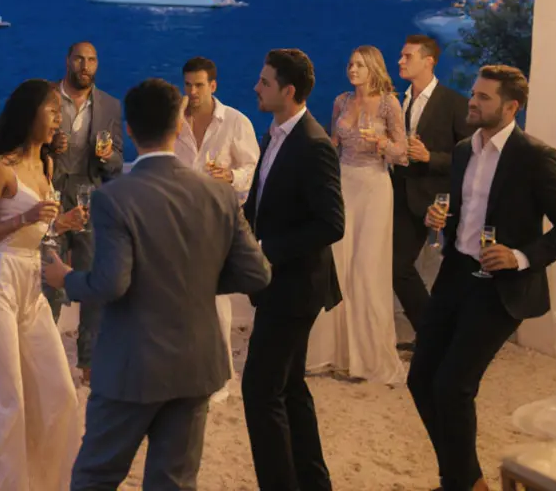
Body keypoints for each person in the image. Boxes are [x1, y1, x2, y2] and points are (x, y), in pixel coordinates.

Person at [44, 78, 271, 491]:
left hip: (132, 361)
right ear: (179, 122)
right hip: (195, 363)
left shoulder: (116, 197)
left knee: (96, 475)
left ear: (128, 129)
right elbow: (257, 273)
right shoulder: (219, 196)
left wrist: (67, 279)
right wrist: (197, 280)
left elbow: (112, 282)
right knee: (175, 482)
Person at [413, 65, 556, 491]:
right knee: (420, 380)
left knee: (453, 385)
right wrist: (441, 216)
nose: (473, 101)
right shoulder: (461, 151)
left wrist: (521, 256)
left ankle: (463, 484)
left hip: (500, 288)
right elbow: (466, 208)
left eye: (484, 97)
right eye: (474, 94)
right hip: (455, 274)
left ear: (511, 107)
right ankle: (465, 479)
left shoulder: (534, 157)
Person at [0, 79, 87, 491]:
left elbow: (37, 235)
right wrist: (25, 219)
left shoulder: (46, 166)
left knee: (58, 393)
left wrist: (59, 225)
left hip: (32, 285)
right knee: (3, 401)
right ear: (29, 115)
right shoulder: (0, 168)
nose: (57, 120)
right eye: (51, 112)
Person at [242, 49, 344, 491]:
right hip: (279, 284)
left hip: (296, 287)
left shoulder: (313, 144)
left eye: (264, 82)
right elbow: (260, 201)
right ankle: (313, 483)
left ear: (288, 91)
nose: (255, 88)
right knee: (290, 388)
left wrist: (267, 250)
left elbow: (331, 223)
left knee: (260, 392)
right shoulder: (276, 134)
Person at [307, 46, 407, 385]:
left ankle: (367, 357)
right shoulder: (341, 102)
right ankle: (334, 353)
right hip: (343, 183)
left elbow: (403, 153)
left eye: (360, 65)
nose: (352, 69)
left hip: (375, 187)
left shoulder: (390, 104)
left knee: (365, 267)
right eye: (350, 64)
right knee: (338, 263)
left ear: (373, 69)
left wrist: (382, 144)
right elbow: (334, 141)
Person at [172, 56, 260, 404]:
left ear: (213, 86)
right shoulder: (175, 122)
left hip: (217, 221)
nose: (192, 92)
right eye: (188, 85)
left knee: (216, 299)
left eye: (199, 85)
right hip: (178, 221)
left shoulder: (235, 122)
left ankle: (220, 374)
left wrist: (232, 177)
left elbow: (252, 167)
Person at [45, 41, 123, 383]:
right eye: (79, 58)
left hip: (91, 196)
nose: (85, 65)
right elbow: (23, 142)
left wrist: (106, 156)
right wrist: (49, 145)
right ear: (67, 61)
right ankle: (44, 357)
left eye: (91, 59)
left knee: (93, 281)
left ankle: (89, 362)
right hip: (50, 193)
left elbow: (118, 163)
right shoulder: (44, 97)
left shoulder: (109, 105)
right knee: (50, 278)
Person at [392, 34, 469, 341]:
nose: (400, 61)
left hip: (438, 201)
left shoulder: (454, 103)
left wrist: (430, 157)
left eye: (407, 56)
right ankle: (431, 335)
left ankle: (436, 336)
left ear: (429, 61)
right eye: (401, 55)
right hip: (401, 196)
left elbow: (469, 158)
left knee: (449, 271)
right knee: (397, 268)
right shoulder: (400, 100)